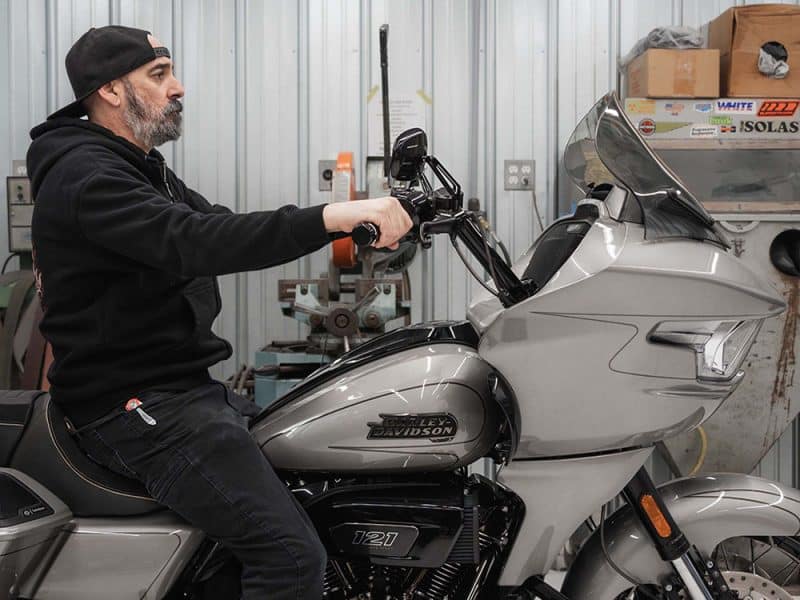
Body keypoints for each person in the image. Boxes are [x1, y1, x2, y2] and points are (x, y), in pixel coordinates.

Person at [26, 25, 412, 599]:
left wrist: (355, 222)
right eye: (158, 76)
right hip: (133, 404)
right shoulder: (89, 176)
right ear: (109, 91)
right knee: (289, 560)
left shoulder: (137, 163)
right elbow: (195, 240)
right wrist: (334, 215)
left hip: (178, 390)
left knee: (314, 479)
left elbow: (219, 223)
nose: (177, 87)